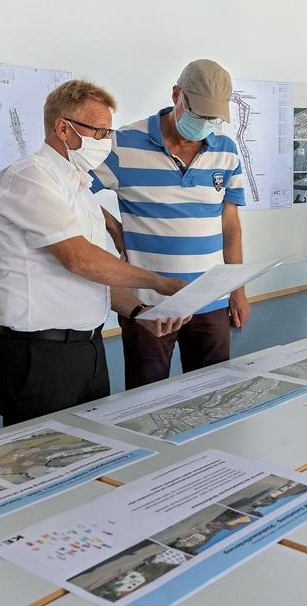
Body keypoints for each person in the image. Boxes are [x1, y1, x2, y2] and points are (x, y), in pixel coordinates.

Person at [0, 80, 188, 426]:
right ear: (63, 128)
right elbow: (78, 259)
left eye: (109, 133)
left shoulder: (80, 189)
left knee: (91, 456)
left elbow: (98, 278)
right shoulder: (29, 178)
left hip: (88, 350)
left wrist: (141, 311)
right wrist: (160, 282)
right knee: (43, 463)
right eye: (99, 132)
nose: (106, 143)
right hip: (40, 355)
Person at [92, 59, 250, 389]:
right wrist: (110, 226)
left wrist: (238, 291)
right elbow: (72, 189)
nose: (206, 123)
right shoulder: (123, 145)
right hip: (148, 302)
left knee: (212, 394)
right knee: (146, 397)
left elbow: (230, 225)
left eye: (213, 117)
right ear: (177, 95)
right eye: (199, 114)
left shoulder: (227, 152)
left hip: (211, 300)